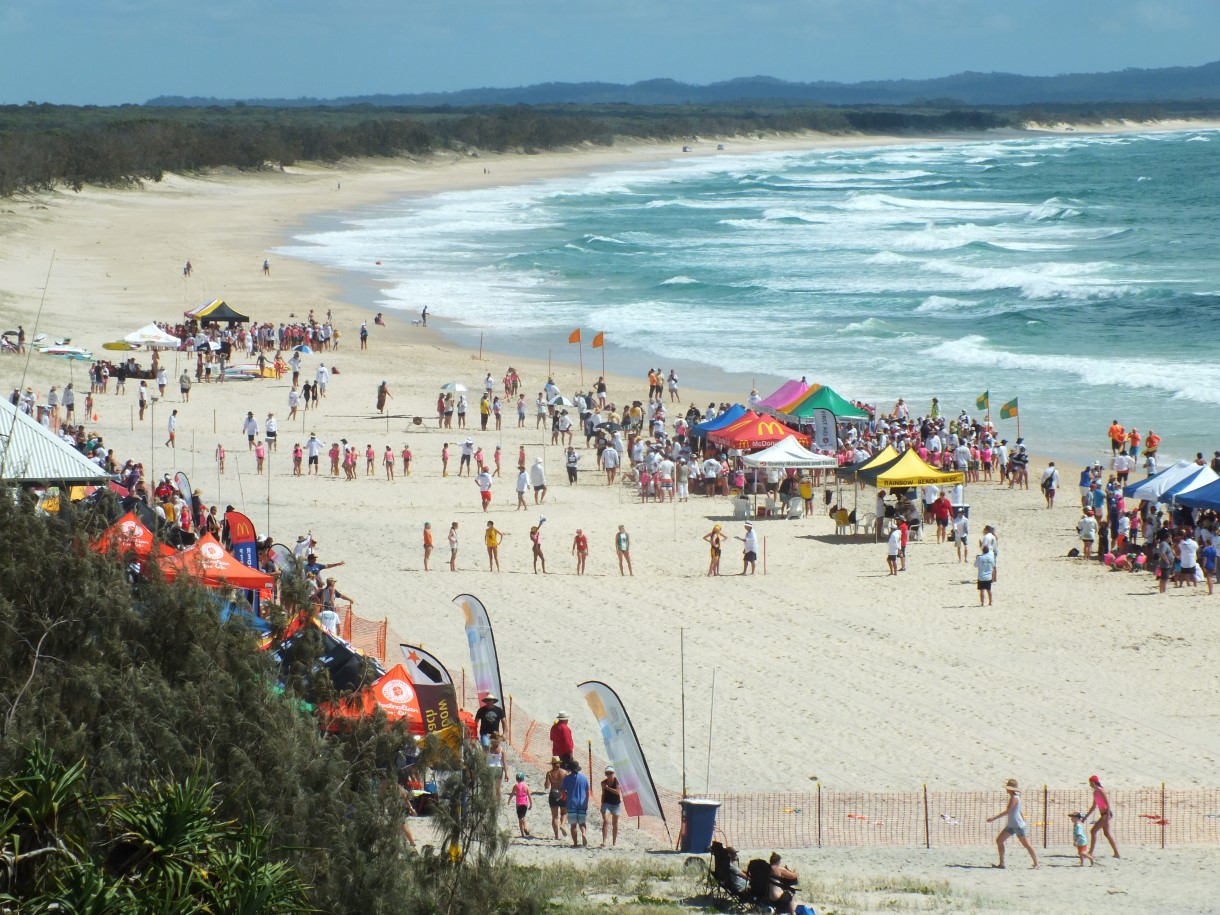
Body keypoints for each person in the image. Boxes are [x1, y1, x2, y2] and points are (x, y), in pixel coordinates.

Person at [986, 778, 1039, 868]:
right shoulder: (1014, 797)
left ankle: (1036, 864)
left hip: (1017, 825)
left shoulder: (1015, 798)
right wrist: (1023, 820)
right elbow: (1019, 811)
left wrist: (994, 818)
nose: (1006, 789)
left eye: (1008, 788)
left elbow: (1008, 811)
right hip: (1012, 825)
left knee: (1026, 844)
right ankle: (1002, 863)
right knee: (999, 840)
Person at [1084, 775, 1120, 858]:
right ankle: (1116, 853)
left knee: (1093, 831)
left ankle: (1090, 852)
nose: (1090, 785)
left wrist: (1107, 819)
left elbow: (1108, 804)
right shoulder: (1095, 793)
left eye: (1091, 783)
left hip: (1106, 814)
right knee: (1107, 833)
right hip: (1103, 815)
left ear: (1094, 782)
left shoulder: (1101, 791)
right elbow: (1093, 806)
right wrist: (1086, 816)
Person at [561, 762, 590, 847]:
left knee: (573, 825)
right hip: (582, 803)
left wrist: (566, 793)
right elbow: (587, 792)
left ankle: (575, 843)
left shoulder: (567, 779)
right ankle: (584, 834)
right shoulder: (584, 778)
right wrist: (586, 802)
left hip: (571, 803)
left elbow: (563, 791)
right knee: (582, 823)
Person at [544, 757, 568, 839]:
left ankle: (556, 835)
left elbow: (546, 786)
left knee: (554, 816)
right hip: (562, 793)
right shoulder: (564, 772)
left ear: (552, 764)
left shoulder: (549, 773)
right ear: (559, 763)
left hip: (553, 794)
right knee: (564, 813)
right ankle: (562, 825)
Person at [600, 767, 622, 848]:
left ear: (613, 773)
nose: (609, 775)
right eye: (607, 773)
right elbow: (603, 794)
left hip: (616, 804)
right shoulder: (603, 782)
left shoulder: (617, 781)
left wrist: (607, 788)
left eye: (611, 773)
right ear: (605, 774)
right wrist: (602, 804)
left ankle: (614, 842)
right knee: (605, 821)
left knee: (615, 824)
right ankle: (604, 841)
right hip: (607, 803)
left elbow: (617, 792)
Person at [509, 773, 532, 838]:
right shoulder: (526, 786)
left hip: (518, 804)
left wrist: (509, 800)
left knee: (520, 818)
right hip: (525, 804)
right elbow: (529, 796)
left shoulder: (515, 786)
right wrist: (531, 804)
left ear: (516, 779)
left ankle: (522, 833)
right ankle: (525, 827)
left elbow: (512, 794)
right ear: (523, 779)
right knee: (523, 816)